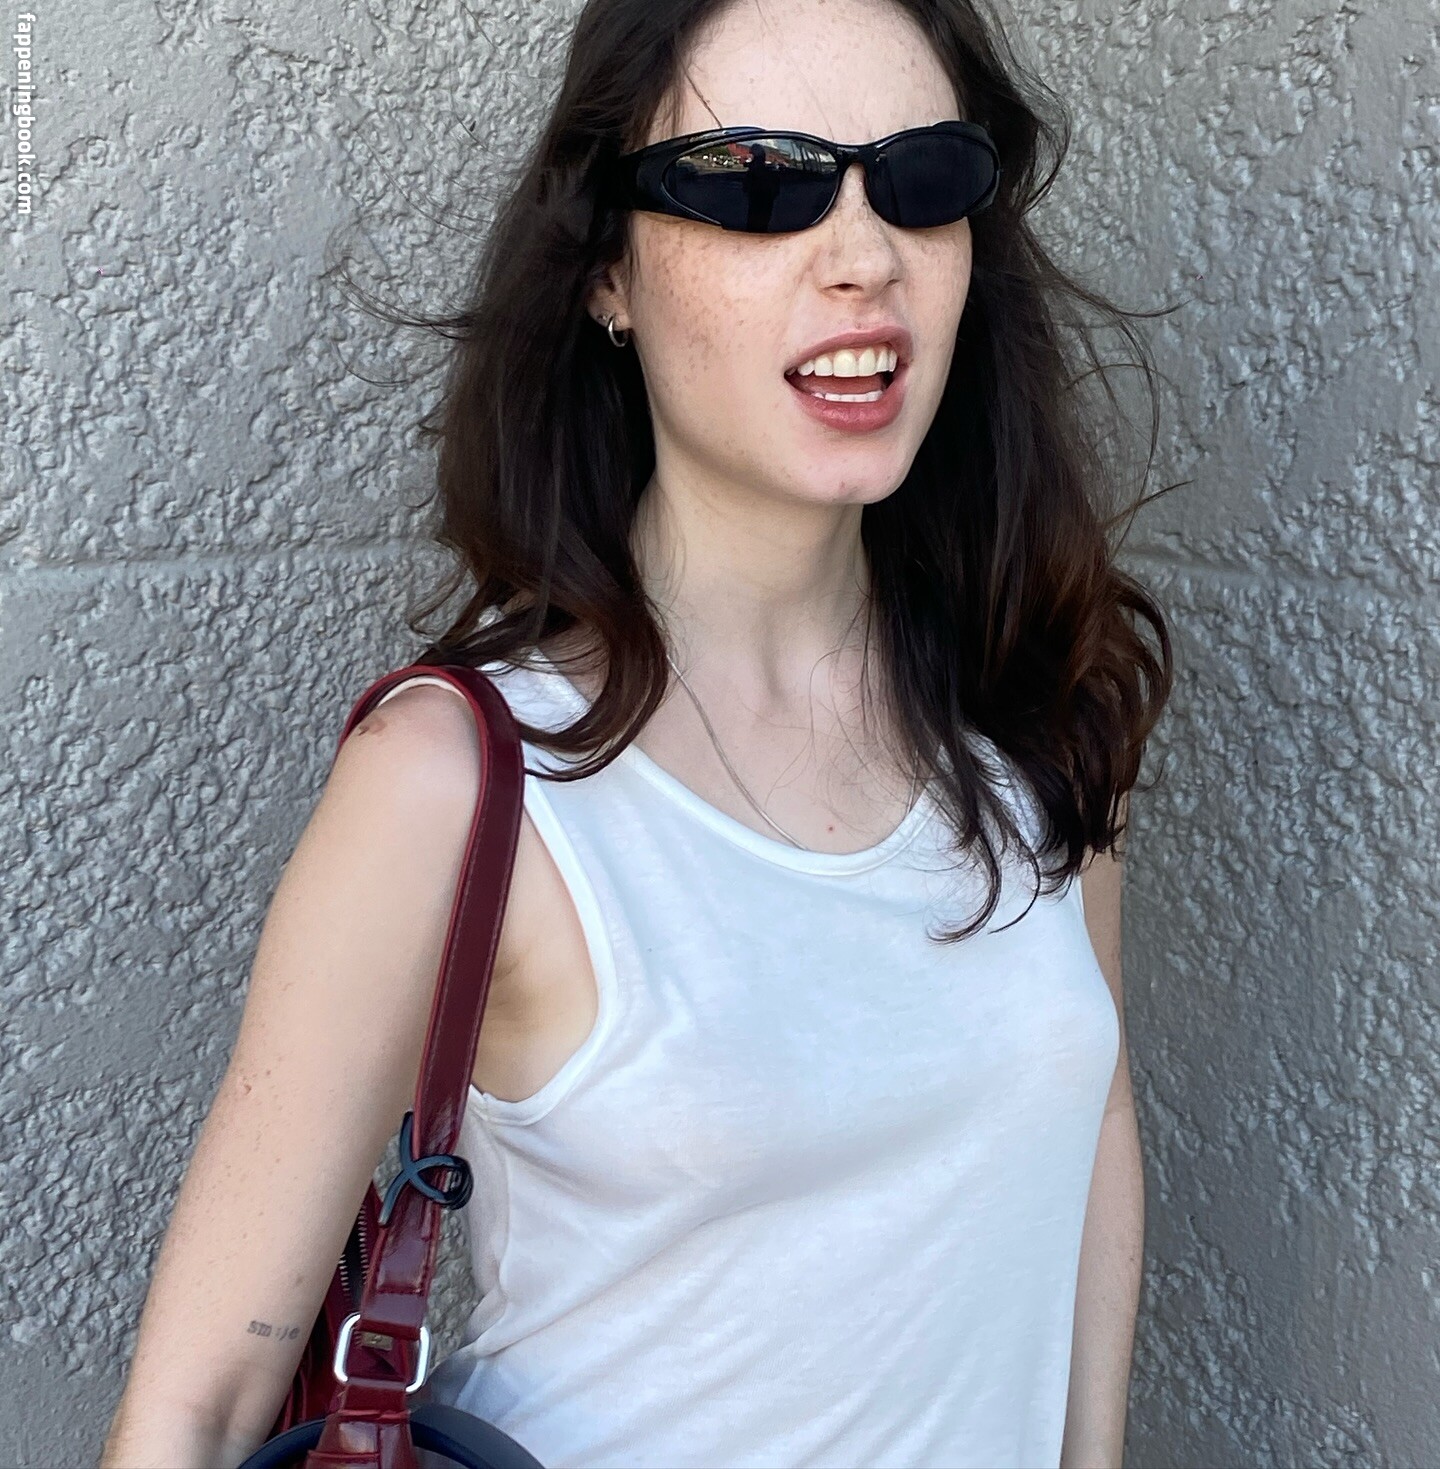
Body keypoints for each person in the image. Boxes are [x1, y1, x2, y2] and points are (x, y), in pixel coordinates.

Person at [101, 0, 1177, 1464]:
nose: (864, 256)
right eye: (757, 185)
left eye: (923, 178)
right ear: (607, 268)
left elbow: (1088, 1122)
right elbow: (199, 1402)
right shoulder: (460, 776)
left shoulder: (1034, 702)